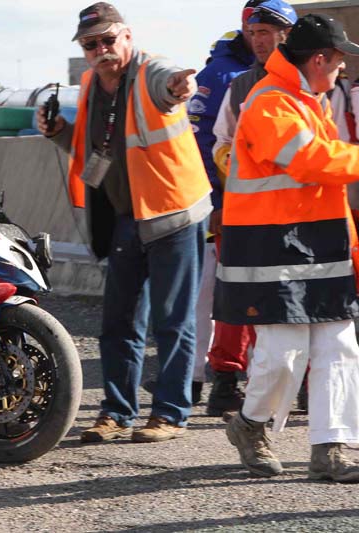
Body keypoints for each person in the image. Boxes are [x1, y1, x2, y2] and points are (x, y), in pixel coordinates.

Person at [38, 3, 211, 443]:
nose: (101, 50)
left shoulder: (152, 72)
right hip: (125, 216)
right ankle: (117, 413)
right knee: (119, 323)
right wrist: (59, 132)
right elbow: (96, 152)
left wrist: (180, 86)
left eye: (108, 40)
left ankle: (170, 413)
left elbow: (171, 84)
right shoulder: (91, 84)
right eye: (90, 44)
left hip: (173, 215)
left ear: (127, 36)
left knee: (173, 321)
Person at [214, 14, 359, 482]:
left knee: (339, 345)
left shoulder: (307, 100)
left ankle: (331, 448)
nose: (341, 68)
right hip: (270, 247)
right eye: (337, 60)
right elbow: (310, 161)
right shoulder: (270, 102)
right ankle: (250, 424)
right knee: (283, 352)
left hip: (318, 242)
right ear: (318, 59)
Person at [207, 0, 297, 418]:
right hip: (244, 213)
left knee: (294, 299)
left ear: (287, 35)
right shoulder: (240, 85)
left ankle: (296, 386)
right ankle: (226, 382)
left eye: (267, 32)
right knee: (235, 298)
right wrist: (241, 173)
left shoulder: (311, 82)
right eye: (254, 33)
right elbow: (220, 142)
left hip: (298, 214)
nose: (259, 41)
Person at [186, 0, 261, 405]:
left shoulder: (269, 70)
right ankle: (196, 378)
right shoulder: (221, 74)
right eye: (256, 28)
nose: (261, 37)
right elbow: (201, 142)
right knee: (211, 295)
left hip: (251, 206)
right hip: (222, 206)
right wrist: (214, 200)